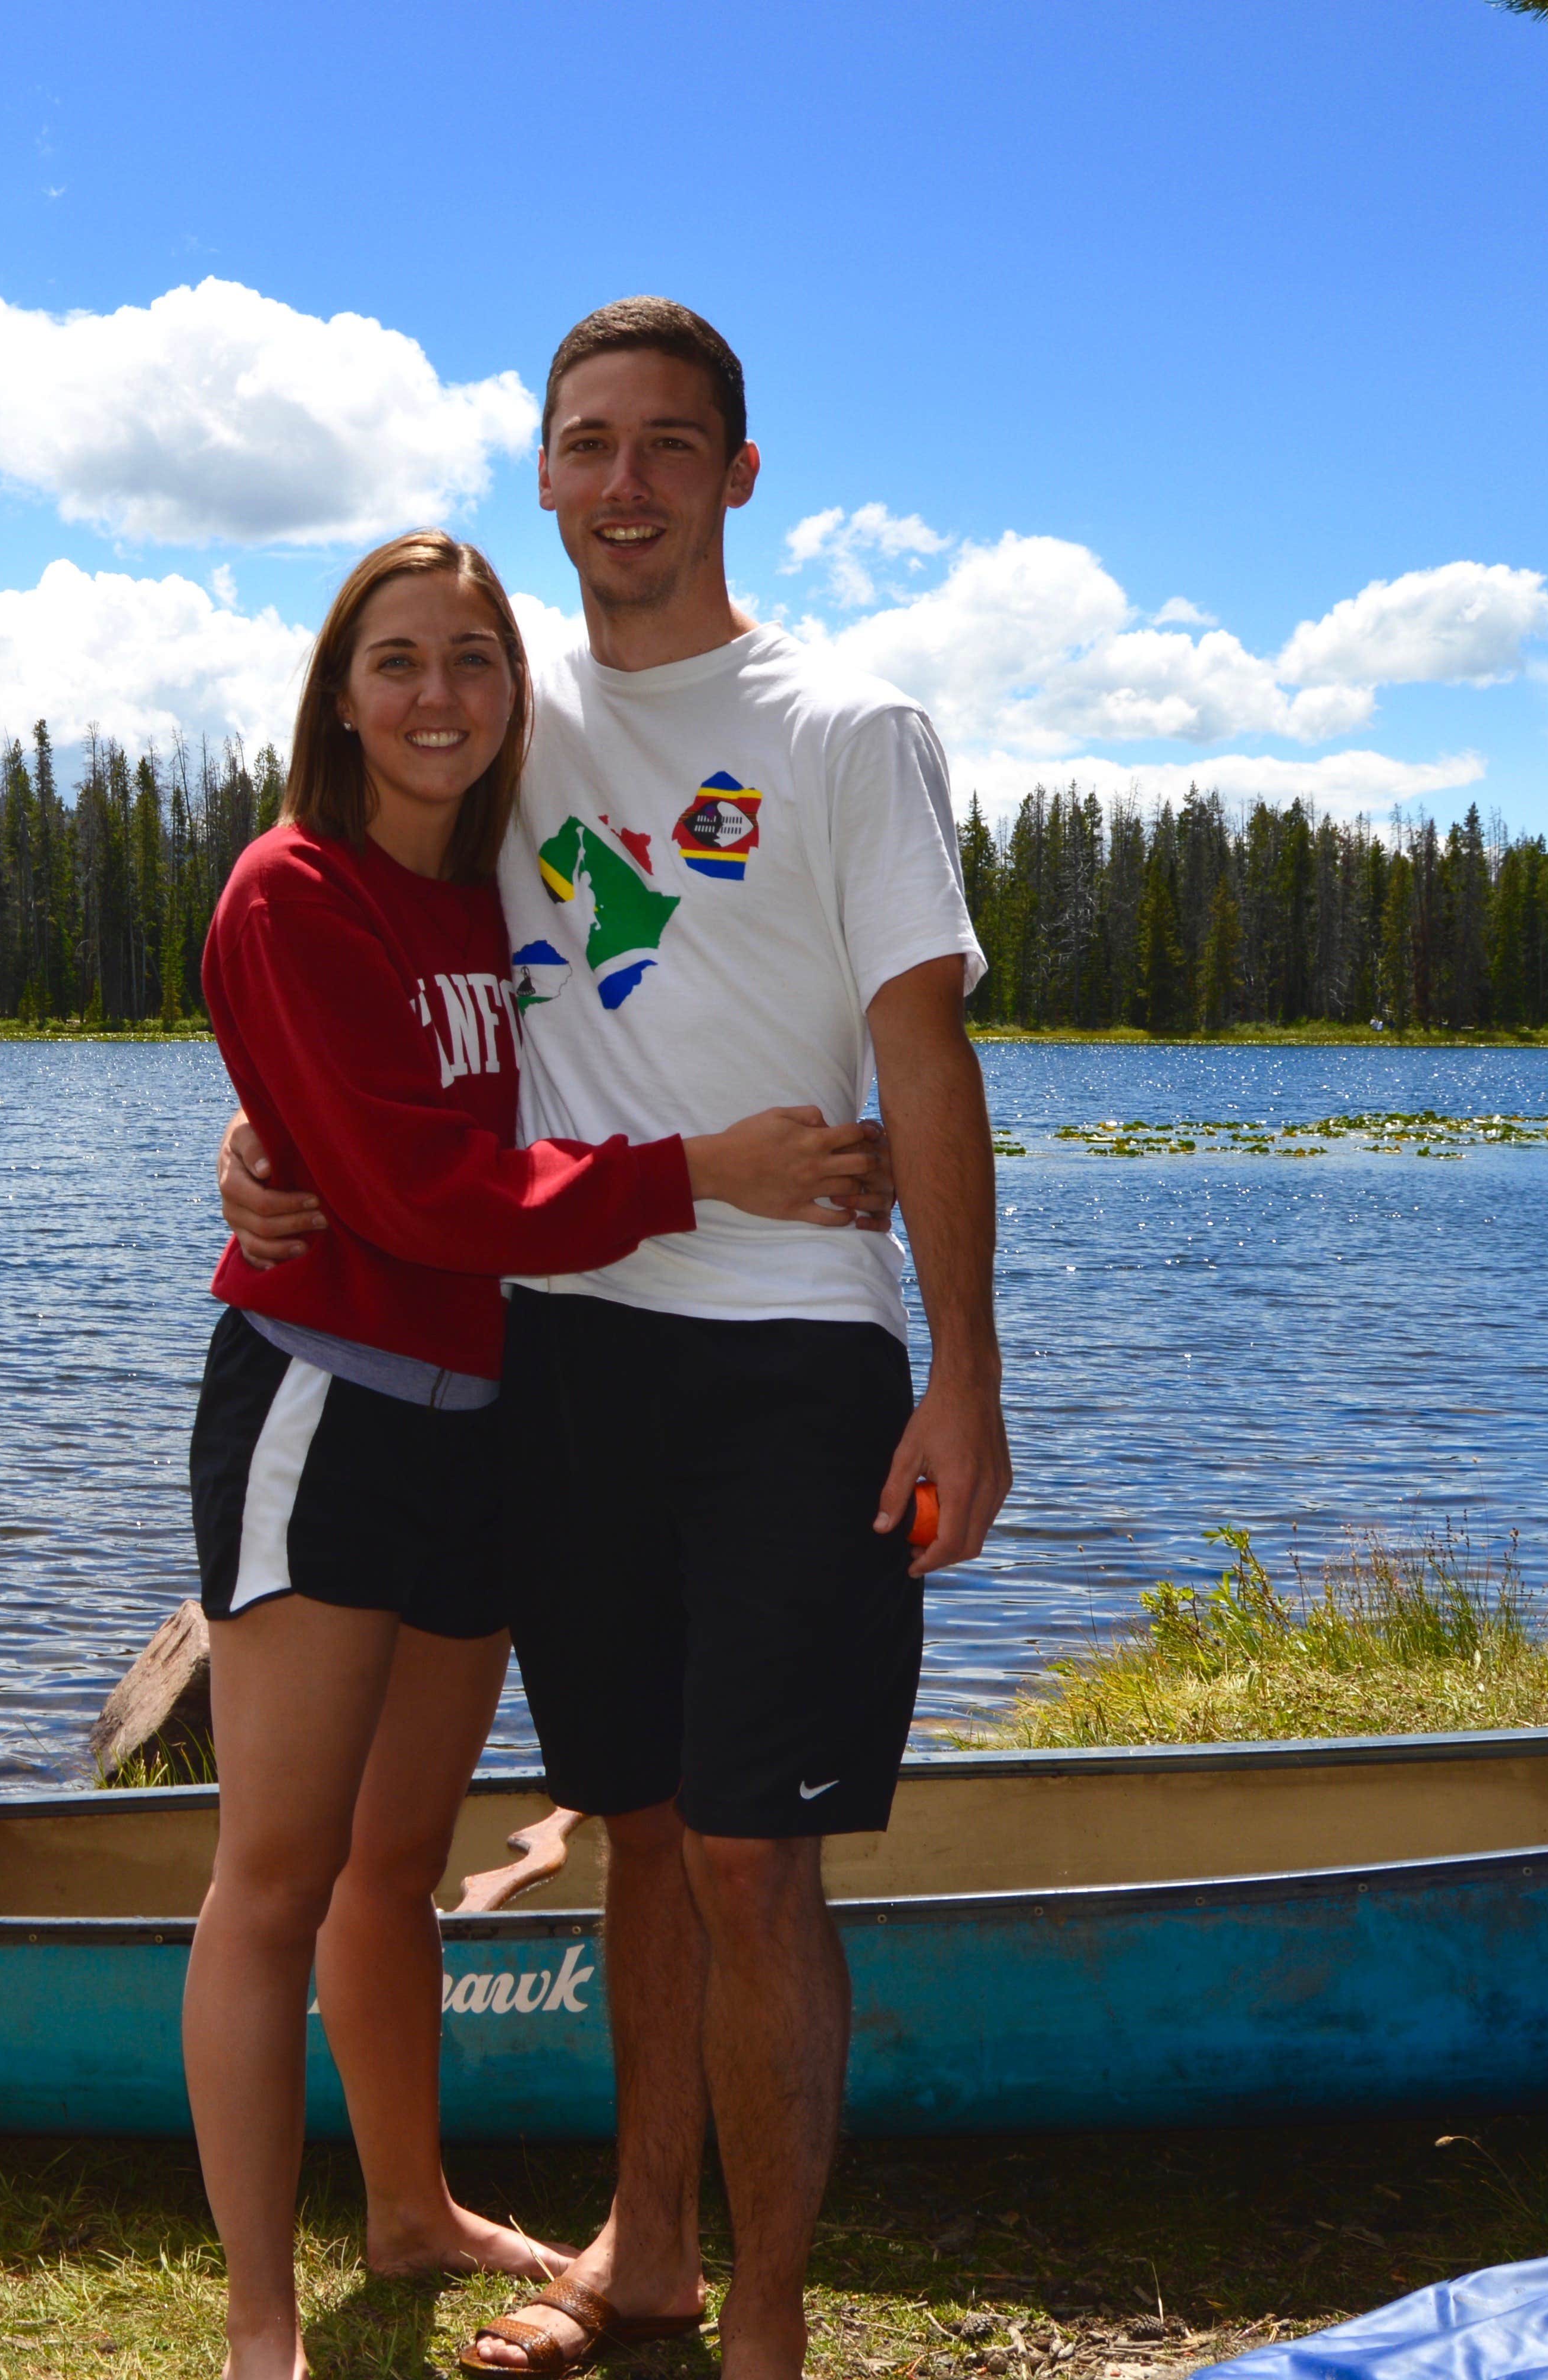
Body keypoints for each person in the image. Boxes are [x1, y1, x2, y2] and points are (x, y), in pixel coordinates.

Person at [218, 300, 1010, 2380]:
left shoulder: (845, 729)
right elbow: (374, 943)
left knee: (758, 1853)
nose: (628, 480)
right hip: (557, 1361)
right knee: (642, 1828)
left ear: (739, 476)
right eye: (589, 444)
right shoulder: (503, 707)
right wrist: (263, 1126)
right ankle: (642, 2253)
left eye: (672, 444)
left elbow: (926, 1057)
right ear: (545, 475)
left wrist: (968, 1371)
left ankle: (765, 2312)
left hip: (788, 1359)